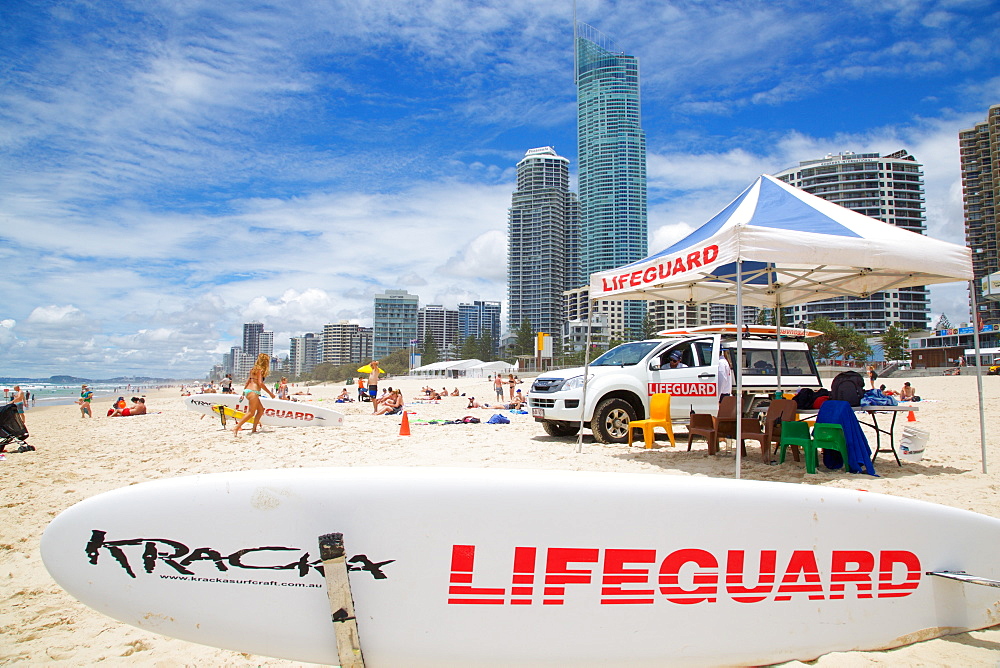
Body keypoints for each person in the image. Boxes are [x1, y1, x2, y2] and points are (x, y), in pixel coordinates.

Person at [233, 354, 276, 436]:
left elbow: (248, 381)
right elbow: (260, 384)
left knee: (260, 410)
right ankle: (236, 427)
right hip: (254, 392)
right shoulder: (260, 370)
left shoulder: (253, 370)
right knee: (251, 413)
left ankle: (254, 429)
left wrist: (243, 393)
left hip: (248, 390)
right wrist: (270, 394)